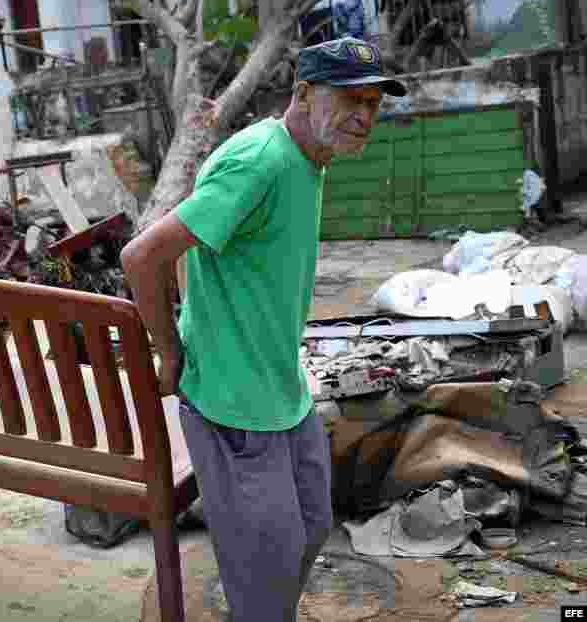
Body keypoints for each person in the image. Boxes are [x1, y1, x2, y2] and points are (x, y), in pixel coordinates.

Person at [120, 37, 407, 622]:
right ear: (302, 93)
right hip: (233, 401)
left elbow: (200, 244)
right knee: (268, 557)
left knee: (311, 528)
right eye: (350, 98)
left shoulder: (309, 157)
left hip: (282, 386)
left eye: (374, 102)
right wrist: (168, 350)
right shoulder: (261, 160)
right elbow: (142, 256)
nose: (364, 115)